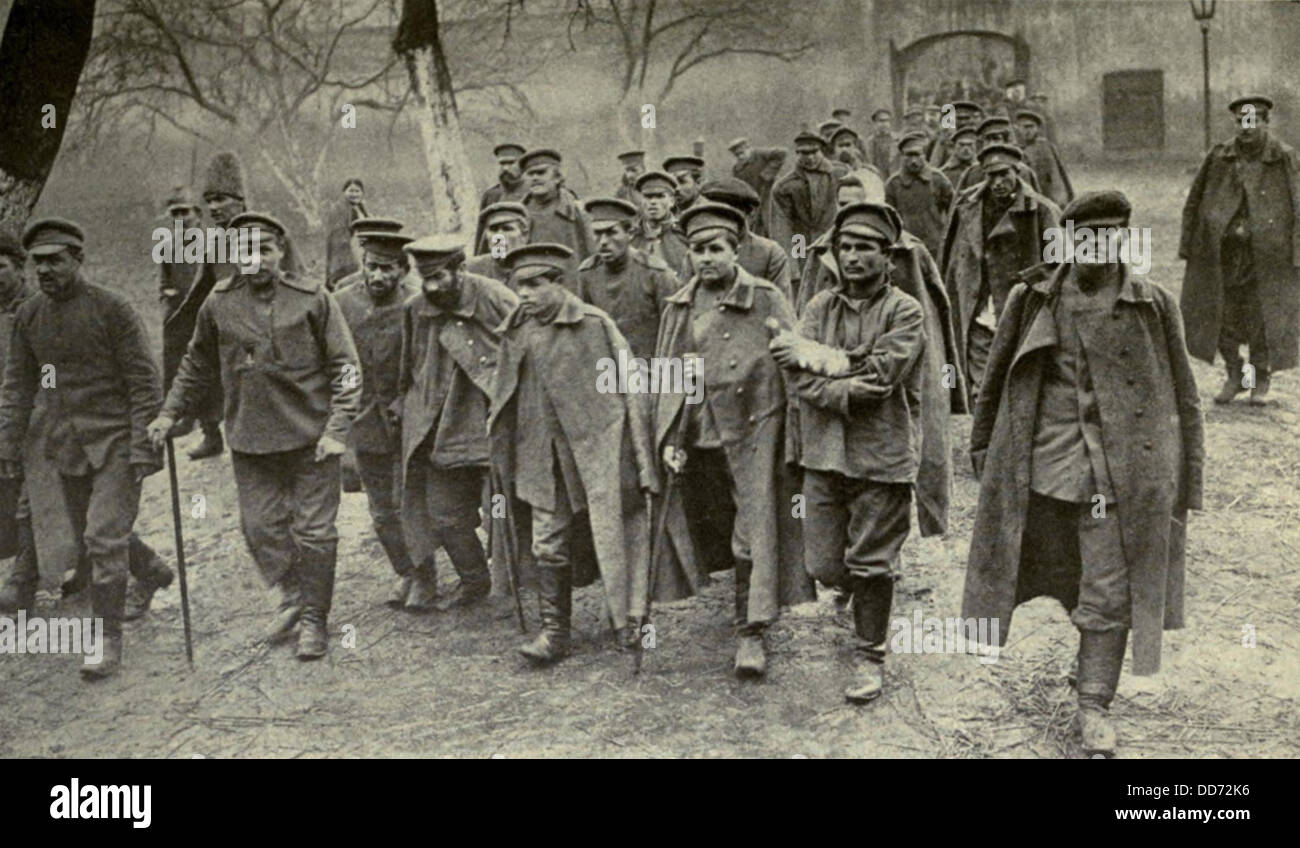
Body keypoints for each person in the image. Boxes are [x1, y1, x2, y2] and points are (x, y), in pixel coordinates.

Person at [964, 191, 1204, 757]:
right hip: (1042, 469)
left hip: (1122, 477)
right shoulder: (1033, 298)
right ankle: (1082, 669)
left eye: (1111, 234)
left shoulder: (1154, 304)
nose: (1098, 247)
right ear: (1068, 240)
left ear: (1125, 239)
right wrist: (983, 453)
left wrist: (1188, 478)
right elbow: (995, 381)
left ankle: (1094, 701)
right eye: (1086, 235)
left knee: (1110, 586)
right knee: (1040, 569)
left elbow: (1185, 397)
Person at [149, 212, 361, 660]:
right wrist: (169, 414)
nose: (255, 259)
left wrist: (338, 429)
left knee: (315, 532)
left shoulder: (312, 299)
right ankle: (292, 593)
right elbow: (196, 364)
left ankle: (314, 621)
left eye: (264, 249)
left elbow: (346, 368)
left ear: (280, 252)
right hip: (250, 440)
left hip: (312, 439)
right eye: (244, 250)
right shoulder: (218, 303)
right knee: (260, 528)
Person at [770, 201, 926, 703]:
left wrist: (821, 362)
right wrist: (828, 371)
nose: (853, 256)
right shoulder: (818, 307)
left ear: (888, 257)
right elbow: (793, 376)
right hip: (824, 454)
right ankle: (861, 594)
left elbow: (882, 379)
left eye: (865, 248)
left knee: (872, 562)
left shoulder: (904, 310)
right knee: (822, 564)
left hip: (882, 455)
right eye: (845, 247)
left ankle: (870, 654)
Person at [653, 203, 815, 678]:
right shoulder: (680, 307)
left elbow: (795, 365)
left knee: (753, 531)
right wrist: (668, 435)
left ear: (736, 250)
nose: (706, 259)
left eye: (716, 249)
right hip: (702, 433)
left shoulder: (765, 298)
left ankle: (751, 631)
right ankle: (733, 602)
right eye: (698, 250)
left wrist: (796, 434)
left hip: (755, 430)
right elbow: (669, 375)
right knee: (713, 524)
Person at [0, 219, 163, 679]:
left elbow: (143, 382)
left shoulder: (112, 309)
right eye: (38, 262)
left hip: (115, 443)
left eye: (55, 260)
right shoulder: (30, 317)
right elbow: (19, 385)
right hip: (66, 447)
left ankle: (106, 640)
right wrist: (8, 444)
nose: (45, 270)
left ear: (78, 260)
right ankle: (150, 570)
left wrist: (144, 444)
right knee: (98, 533)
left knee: (101, 537)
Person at [488, 243, 658, 664]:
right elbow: (504, 393)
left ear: (558, 283)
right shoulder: (515, 330)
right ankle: (554, 633)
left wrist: (640, 457)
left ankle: (629, 620)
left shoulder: (594, 325)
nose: (525, 294)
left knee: (619, 532)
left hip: (598, 445)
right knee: (547, 541)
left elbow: (631, 388)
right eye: (519, 285)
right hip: (540, 452)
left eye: (534, 284)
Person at [396, 235, 518, 613]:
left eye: (439, 277)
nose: (431, 287)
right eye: (424, 277)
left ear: (460, 270)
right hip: (440, 428)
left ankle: (517, 579)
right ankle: (474, 578)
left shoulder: (496, 297)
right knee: (444, 513)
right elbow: (409, 367)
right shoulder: (416, 309)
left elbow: (525, 351)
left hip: (490, 422)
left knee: (502, 511)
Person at [1180, 94, 1300, 405]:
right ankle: (1236, 372)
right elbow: (1194, 200)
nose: (1245, 128)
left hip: (1268, 256)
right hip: (1223, 254)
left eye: (1252, 121)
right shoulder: (1219, 156)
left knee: (1262, 317)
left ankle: (1260, 378)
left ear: (1265, 122)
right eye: (1240, 122)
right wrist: (1189, 245)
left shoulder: (1283, 157)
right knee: (1219, 315)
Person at [334, 227, 419, 607]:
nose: (378, 276)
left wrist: (409, 401)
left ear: (403, 270)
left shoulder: (417, 305)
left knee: (411, 502)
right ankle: (406, 571)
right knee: (381, 510)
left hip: (409, 420)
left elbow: (426, 364)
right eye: (372, 266)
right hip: (364, 420)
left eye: (387, 268)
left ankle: (425, 572)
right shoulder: (341, 304)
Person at [941, 143, 1060, 406]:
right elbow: (951, 254)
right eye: (991, 175)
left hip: (1020, 306)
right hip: (979, 305)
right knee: (981, 382)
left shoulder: (1041, 210)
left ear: (1017, 172)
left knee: (1020, 376)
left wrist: (1031, 282)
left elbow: (1059, 262)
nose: (998, 182)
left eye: (1004, 174)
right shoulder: (968, 204)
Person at [575, 198, 680, 358]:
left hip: (651, 370)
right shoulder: (587, 273)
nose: (603, 241)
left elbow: (676, 334)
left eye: (611, 232)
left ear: (630, 234)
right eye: (597, 233)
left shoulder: (656, 273)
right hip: (608, 370)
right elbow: (585, 329)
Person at [698, 177, 795, 302]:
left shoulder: (769, 253)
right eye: (717, 214)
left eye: (732, 214)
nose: (723, 221)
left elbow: (781, 307)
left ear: (750, 214)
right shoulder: (699, 250)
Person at [771, 130, 845, 272]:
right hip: (802, 239)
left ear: (821, 150)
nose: (810, 158)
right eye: (804, 153)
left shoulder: (840, 173)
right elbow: (783, 227)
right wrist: (793, 265)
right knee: (805, 277)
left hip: (835, 238)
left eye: (814, 152)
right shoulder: (785, 186)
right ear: (797, 153)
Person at [885, 131, 955, 261]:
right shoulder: (893, 184)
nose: (913, 160)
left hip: (935, 245)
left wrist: (946, 236)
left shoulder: (938, 179)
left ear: (924, 155)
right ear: (901, 156)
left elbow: (953, 210)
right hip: (905, 246)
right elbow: (888, 219)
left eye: (917, 154)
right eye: (908, 155)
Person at [520, 149, 593, 261]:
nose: (535, 178)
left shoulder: (578, 211)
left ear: (557, 178)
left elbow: (595, 254)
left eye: (541, 173)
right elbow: (496, 254)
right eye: (530, 174)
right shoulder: (515, 213)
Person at [630, 170, 691, 280]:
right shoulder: (631, 236)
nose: (653, 202)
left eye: (660, 196)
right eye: (648, 197)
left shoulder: (686, 232)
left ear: (672, 201)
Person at [729, 137, 788, 237]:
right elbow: (739, 187)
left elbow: (782, 153)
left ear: (749, 149)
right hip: (753, 202)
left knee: (772, 225)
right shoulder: (737, 169)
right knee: (754, 228)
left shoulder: (760, 154)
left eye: (742, 153)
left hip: (769, 197)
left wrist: (768, 173)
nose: (740, 157)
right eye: (737, 155)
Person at [1016, 109, 1073, 208]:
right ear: (1018, 129)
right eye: (1024, 127)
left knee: (1067, 218)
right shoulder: (1016, 150)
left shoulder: (1047, 146)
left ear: (1037, 129)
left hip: (1052, 195)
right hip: (1031, 199)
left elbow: (1061, 173)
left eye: (1031, 127)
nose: (1027, 131)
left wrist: (1068, 194)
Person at [465, 202, 530, 287]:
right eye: (493, 229)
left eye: (507, 229)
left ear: (524, 235)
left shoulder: (534, 268)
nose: (499, 236)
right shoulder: (471, 268)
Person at [326, 178, 368, 290]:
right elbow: (338, 236)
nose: (354, 194)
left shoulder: (361, 208)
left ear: (362, 193)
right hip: (348, 250)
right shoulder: (338, 209)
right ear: (344, 192)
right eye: (351, 191)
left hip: (362, 249)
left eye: (357, 191)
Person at [867, 108, 897, 176]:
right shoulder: (871, 141)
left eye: (886, 121)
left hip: (894, 176)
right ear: (875, 123)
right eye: (880, 121)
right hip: (877, 176)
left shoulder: (897, 139)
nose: (884, 124)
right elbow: (869, 162)